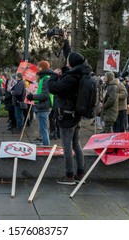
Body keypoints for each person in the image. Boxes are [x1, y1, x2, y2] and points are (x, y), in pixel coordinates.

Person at [48, 53, 92, 185]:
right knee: (76, 144)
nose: (66, 62)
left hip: (66, 115)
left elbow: (53, 88)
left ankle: (69, 176)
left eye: (67, 60)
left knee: (67, 146)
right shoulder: (80, 73)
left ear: (71, 63)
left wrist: (54, 76)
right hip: (75, 114)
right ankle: (80, 173)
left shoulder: (71, 77)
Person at [27, 61, 53, 146]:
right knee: (42, 130)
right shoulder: (44, 78)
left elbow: (45, 95)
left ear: (43, 68)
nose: (37, 68)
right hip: (42, 106)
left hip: (43, 107)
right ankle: (44, 145)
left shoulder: (46, 78)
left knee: (44, 130)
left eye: (39, 66)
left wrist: (33, 97)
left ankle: (46, 147)